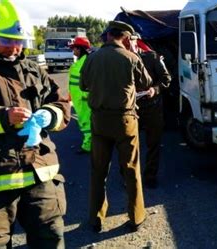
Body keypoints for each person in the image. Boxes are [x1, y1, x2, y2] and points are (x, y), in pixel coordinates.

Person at [0, 0, 71, 248]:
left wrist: (49, 115)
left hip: (39, 174)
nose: (14, 48)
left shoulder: (32, 69)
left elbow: (60, 102)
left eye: (20, 41)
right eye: (6, 40)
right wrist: (1, 118)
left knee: (51, 238)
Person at [80, 20, 152, 233]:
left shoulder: (91, 58)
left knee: (98, 171)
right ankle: (136, 217)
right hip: (125, 121)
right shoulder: (131, 57)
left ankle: (95, 219)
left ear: (108, 35)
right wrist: (132, 54)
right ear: (126, 38)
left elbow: (84, 85)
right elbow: (146, 83)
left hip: (99, 121)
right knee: (131, 169)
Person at [135, 39, 172, 188]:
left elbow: (166, 79)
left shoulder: (152, 57)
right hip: (131, 108)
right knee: (128, 146)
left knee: (153, 144)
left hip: (152, 107)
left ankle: (150, 176)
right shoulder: (120, 57)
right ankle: (130, 177)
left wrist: (154, 90)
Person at [68, 36, 91, 154]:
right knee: (83, 121)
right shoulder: (82, 61)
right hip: (78, 97)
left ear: (80, 48)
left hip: (83, 98)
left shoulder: (87, 61)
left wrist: (86, 95)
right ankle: (89, 142)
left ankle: (88, 145)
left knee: (86, 122)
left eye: (74, 48)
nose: (73, 51)